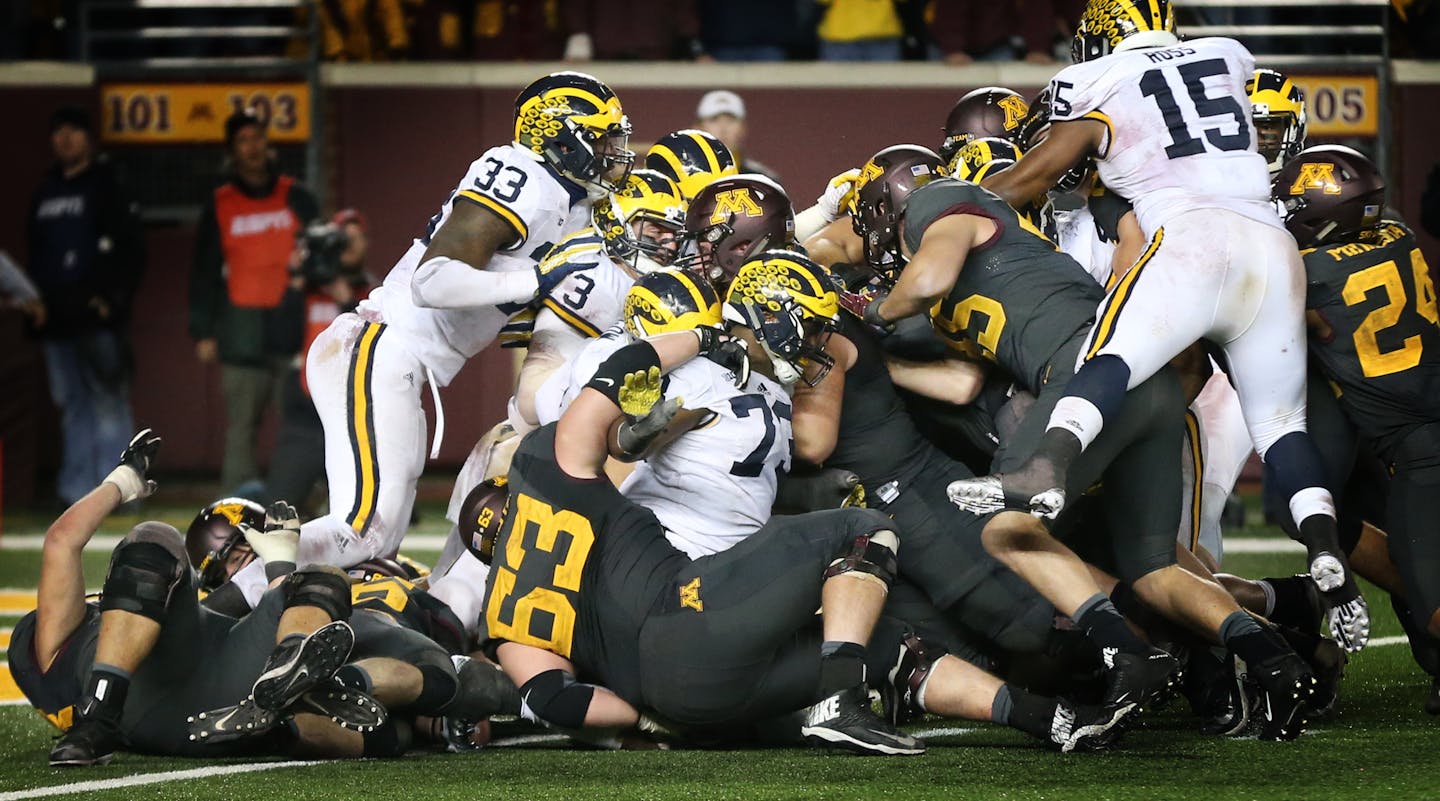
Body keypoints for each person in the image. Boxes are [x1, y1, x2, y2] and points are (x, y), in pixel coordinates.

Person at [940, 0, 1371, 654]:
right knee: (1283, 426)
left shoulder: (1099, 103)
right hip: (1263, 243)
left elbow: (1042, 168)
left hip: (1186, 284)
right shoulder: (1226, 53)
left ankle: (1047, 468)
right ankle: (1321, 554)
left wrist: (950, 203)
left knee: (1105, 359)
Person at [221, 72, 630, 611]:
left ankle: (252, 603)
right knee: (361, 529)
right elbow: (433, 279)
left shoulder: (571, 202)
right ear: (558, 135)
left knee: (377, 536)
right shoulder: (522, 175)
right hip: (380, 345)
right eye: (601, 138)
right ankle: (222, 605)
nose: (613, 151)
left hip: (401, 360)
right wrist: (536, 282)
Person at [8, 429, 387, 767]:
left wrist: (279, 567)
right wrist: (121, 483)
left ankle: (289, 674)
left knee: (319, 581)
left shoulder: (72, 647)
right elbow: (61, 540)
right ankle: (98, 716)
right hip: (185, 693)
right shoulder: (62, 642)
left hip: (213, 708)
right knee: (153, 543)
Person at [1279, 145, 1440, 712]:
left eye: (1295, 203)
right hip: (1417, 422)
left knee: (1432, 599)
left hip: (1419, 447)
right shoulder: (1397, 234)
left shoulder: (1308, 279)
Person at [189, 108, 320, 493]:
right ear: (232, 150)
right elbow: (204, 272)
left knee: (302, 423)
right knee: (241, 426)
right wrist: (203, 331)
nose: (253, 147)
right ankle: (234, 510)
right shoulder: (220, 203)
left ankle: (305, 503)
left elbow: (319, 255)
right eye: (244, 140)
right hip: (239, 331)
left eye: (258, 138)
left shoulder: (297, 196)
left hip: (295, 328)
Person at [26, 105, 145, 507]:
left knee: (108, 402)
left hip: (97, 320)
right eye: (58, 132)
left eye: (74, 131)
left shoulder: (107, 185)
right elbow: (35, 254)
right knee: (71, 407)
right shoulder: (45, 191)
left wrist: (110, 302)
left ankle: (119, 493)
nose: (65, 139)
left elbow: (131, 251)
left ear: (88, 139)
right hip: (57, 321)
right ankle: (76, 493)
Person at [262, 209, 375, 510]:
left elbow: (374, 345)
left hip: (351, 412)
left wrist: (346, 299)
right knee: (280, 502)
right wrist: (297, 280)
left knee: (358, 508)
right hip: (304, 414)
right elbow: (279, 341)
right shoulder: (304, 293)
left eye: (356, 238)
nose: (349, 246)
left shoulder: (372, 292)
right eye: (342, 240)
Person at [694, 91, 779, 181]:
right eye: (714, 120)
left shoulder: (763, 179)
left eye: (730, 121)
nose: (723, 128)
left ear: (743, 128)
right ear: (698, 128)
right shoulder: (682, 177)